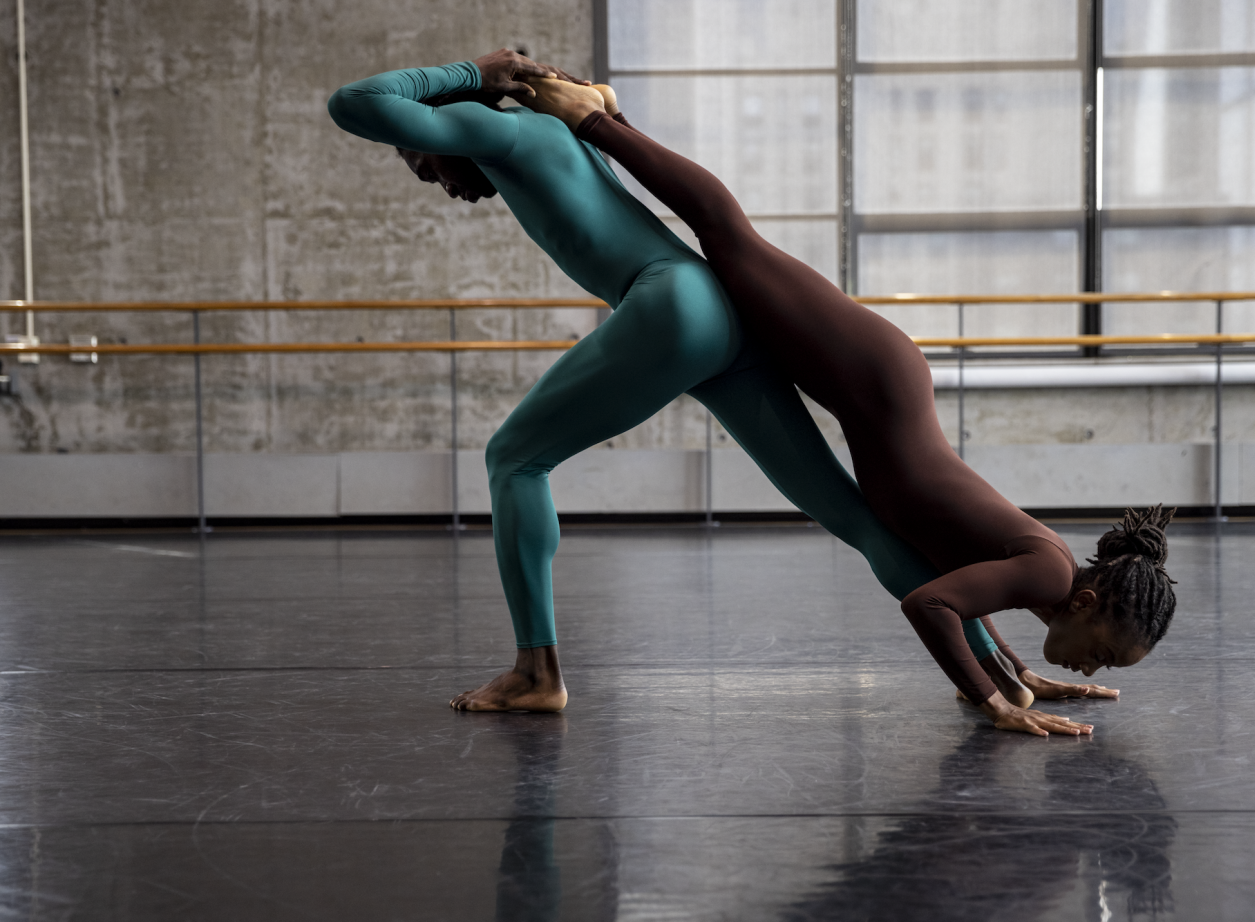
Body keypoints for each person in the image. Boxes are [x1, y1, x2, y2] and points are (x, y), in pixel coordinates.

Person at [328, 51, 1104, 727]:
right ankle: (1000, 678)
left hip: (671, 305)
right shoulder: (560, 139)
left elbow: (354, 104)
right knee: (855, 520)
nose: (434, 176)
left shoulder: (501, 127)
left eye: (421, 160)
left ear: (440, 126)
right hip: (722, 323)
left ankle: (537, 672)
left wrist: (468, 73)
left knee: (513, 461)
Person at [525, 78, 1178, 735]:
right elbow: (930, 604)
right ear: (1088, 604)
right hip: (874, 376)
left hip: (881, 383)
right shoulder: (1045, 574)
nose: (1094, 670)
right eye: (1102, 654)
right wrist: (994, 703)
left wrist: (1017, 677)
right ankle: (597, 121)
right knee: (730, 238)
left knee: (732, 246)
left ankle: (609, 120)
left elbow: (952, 589)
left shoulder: (1046, 576)